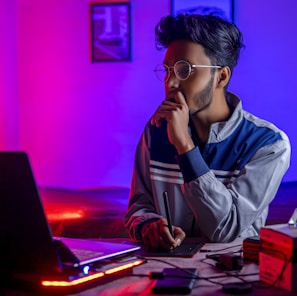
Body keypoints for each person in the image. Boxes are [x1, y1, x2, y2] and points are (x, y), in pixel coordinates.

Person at [124, 14, 291, 250]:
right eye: (167, 70)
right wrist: (149, 225)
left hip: (234, 279)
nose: (170, 83)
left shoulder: (268, 144)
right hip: (162, 271)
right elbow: (138, 207)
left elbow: (225, 229)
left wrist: (184, 146)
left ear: (221, 76)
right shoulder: (156, 132)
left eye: (184, 70)